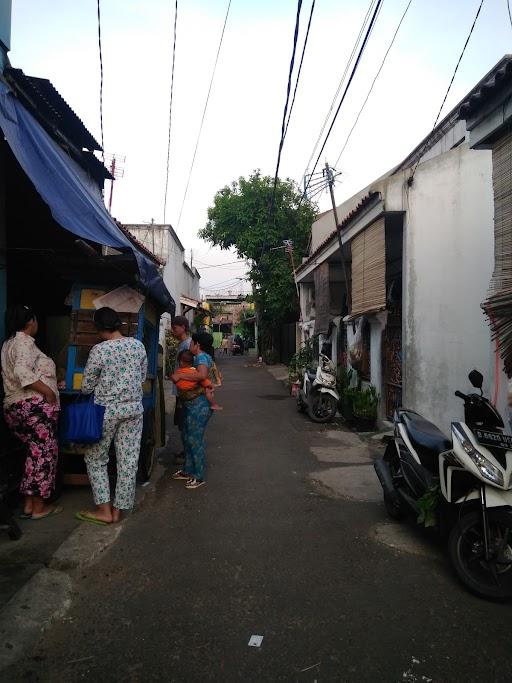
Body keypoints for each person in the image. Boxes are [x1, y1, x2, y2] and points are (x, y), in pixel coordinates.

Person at [77, 307, 147, 525]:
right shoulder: (138, 346)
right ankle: (118, 511)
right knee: (128, 461)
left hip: (106, 411)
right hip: (133, 410)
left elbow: (87, 387)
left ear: (99, 327)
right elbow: (142, 377)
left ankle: (104, 511)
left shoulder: (99, 350)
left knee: (96, 458)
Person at [1, 305, 62, 520]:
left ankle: (29, 505)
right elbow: (22, 372)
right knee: (45, 454)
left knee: (34, 454)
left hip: (15, 407)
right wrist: (48, 391)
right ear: (30, 322)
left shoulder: (9, 343)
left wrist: (52, 385)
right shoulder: (24, 342)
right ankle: (39, 507)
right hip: (33, 408)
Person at [171, 332, 216, 489]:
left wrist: (179, 376)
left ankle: (198, 475)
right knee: (187, 437)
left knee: (195, 440)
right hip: (192, 405)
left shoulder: (202, 358)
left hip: (199, 405)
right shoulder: (199, 358)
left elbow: (202, 375)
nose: (189, 346)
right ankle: (188, 471)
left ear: (197, 345)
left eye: (192, 344)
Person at [170, 316, 192, 460]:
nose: (172, 330)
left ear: (183, 327)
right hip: (181, 388)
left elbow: (190, 368)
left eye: (175, 327)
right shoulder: (182, 343)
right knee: (182, 422)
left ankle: (189, 454)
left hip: (185, 389)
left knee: (185, 422)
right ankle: (187, 451)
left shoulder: (187, 344)